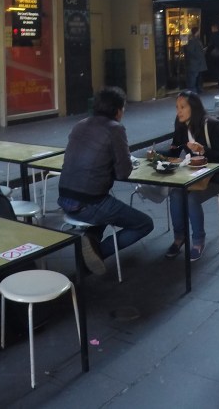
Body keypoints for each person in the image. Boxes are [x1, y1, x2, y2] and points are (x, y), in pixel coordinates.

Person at [57, 86, 153, 274]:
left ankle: (90, 239)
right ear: (117, 110)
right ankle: (97, 254)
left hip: (64, 199)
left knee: (107, 205)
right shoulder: (115, 129)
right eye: (123, 109)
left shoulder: (80, 125)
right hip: (89, 203)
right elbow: (123, 173)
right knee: (144, 224)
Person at [160, 91, 219, 262]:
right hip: (193, 175)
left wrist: (203, 150)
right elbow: (174, 151)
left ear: (194, 107)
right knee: (175, 194)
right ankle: (179, 238)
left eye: (183, 107)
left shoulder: (212, 125)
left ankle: (198, 241)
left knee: (192, 199)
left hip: (216, 176)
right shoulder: (180, 125)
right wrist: (157, 154)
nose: (179, 111)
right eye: (177, 107)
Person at [184, 27, 207, 92]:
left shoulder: (196, 40)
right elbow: (190, 51)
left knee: (198, 76)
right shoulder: (192, 40)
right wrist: (198, 55)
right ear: (196, 32)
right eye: (198, 31)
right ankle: (193, 89)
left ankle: (197, 88)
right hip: (195, 62)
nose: (199, 32)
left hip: (197, 61)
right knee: (193, 76)